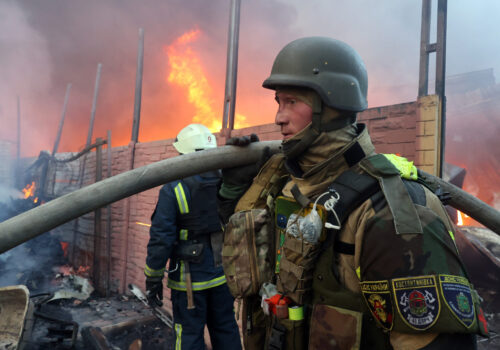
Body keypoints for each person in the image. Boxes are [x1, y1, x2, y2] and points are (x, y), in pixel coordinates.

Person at [218, 37, 488, 350]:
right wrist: (233, 191)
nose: (279, 116)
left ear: (332, 104)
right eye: (279, 103)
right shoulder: (286, 184)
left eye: (292, 102)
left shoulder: (391, 211)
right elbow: (252, 262)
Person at [144, 123, 242, 350]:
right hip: (223, 275)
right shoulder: (226, 181)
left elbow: (161, 238)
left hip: (189, 282)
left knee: (188, 335)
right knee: (226, 329)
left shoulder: (174, 188)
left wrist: (153, 278)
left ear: (183, 153)